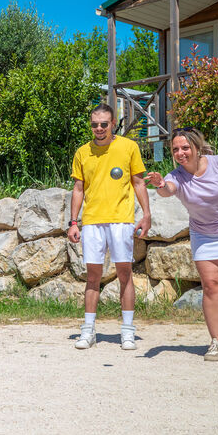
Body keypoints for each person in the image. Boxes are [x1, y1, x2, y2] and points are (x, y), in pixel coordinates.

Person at [144, 127, 218, 361]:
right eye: (175, 149)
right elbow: (167, 191)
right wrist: (159, 184)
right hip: (205, 235)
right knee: (211, 285)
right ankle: (216, 343)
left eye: (185, 147)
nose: (180, 152)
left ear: (197, 148)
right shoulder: (176, 176)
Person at [67, 103, 151, 350]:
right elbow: (78, 188)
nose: (99, 128)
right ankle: (88, 330)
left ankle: (127, 331)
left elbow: (138, 183)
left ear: (113, 124)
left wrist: (146, 214)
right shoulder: (83, 152)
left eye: (104, 124)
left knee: (125, 274)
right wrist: (74, 222)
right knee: (93, 276)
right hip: (92, 221)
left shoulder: (129, 147)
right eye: (95, 124)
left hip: (121, 220)